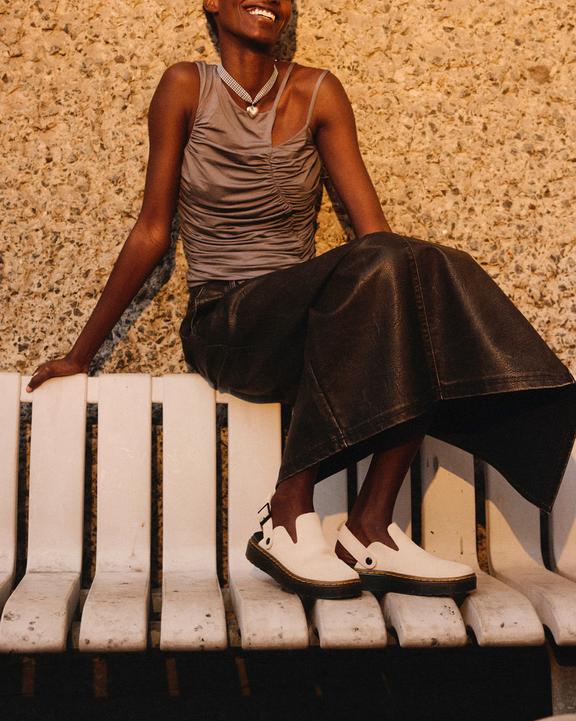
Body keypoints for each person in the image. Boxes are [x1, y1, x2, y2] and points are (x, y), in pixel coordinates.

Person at [27, 0, 576, 600]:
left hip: (308, 326)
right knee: (399, 268)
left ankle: (370, 528)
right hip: (227, 322)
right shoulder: (186, 86)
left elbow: (376, 238)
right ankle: (287, 512)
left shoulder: (319, 92)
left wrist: (405, 292)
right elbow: (153, 231)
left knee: (423, 275)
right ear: (211, 2)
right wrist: (81, 353)